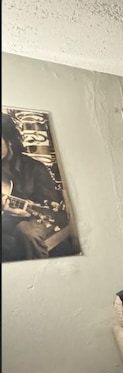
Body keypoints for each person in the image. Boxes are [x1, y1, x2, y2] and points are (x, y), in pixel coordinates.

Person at [2, 112, 65, 261]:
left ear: (9, 140)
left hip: (33, 218)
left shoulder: (35, 168)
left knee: (27, 232)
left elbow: (50, 209)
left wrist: (24, 213)